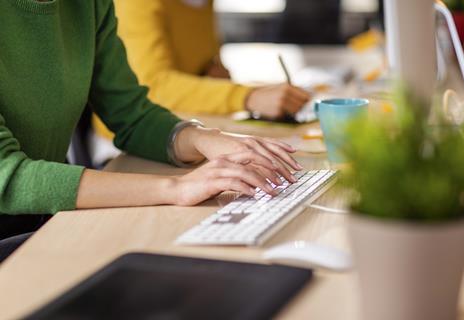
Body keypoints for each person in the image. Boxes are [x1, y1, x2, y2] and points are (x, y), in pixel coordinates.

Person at [0, 0, 302, 260]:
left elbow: (130, 113)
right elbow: (7, 176)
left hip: (44, 216)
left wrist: (205, 139)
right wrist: (176, 188)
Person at [92, 0, 311, 141]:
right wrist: (246, 96)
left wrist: (225, 80)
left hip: (191, 124)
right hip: (134, 138)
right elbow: (152, 86)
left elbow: (208, 69)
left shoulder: (200, 4)